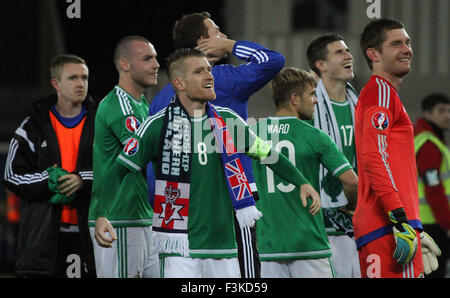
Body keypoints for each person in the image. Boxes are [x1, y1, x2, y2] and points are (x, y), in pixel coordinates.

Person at [94, 48, 320, 278]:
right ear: (180, 83)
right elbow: (118, 171)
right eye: (199, 71)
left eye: (209, 70)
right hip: (179, 249)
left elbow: (267, 154)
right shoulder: (157, 125)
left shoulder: (229, 121)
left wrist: (302, 182)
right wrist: (102, 214)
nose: (209, 75)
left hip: (224, 249)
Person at [147, 11, 285, 278]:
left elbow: (152, 164)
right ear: (204, 41)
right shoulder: (224, 79)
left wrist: (158, 206)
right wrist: (232, 45)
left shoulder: (163, 95)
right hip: (231, 201)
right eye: (217, 32)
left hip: (177, 208)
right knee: (242, 275)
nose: (222, 36)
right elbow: (273, 61)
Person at [251, 67, 358, 278]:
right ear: (295, 99)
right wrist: (351, 207)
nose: (316, 100)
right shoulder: (314, 135)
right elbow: (352, 181)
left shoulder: (254, 133)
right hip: (309, 243)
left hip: (269, 245)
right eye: (311, 94)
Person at [354, 18, 441, 278]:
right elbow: (374, 156)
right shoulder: (380, 93)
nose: (406, 49)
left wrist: (414, 224)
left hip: (394, 225)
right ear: (374, 54)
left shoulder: (386, 94)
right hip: (387, 225)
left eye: (407, 42)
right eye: (396, 44)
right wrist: (400, 218)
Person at [2, 54, 98, 277]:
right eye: (73, 78)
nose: (80, 83)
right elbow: (11, 174)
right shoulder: (33, 125)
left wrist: (82, 179)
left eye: (84, 77)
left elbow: (116, 168)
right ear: (56, 84)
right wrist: (51, 181)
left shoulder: (102, 120)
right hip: (43, 235)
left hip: (91, 233)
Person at [87, 36, 160, 278]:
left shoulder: (139, 104)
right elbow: (146, 152)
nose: (156, 64)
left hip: (139, 217)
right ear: (125, 65)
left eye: (156, 58)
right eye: (147, 58)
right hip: (119, 218)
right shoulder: (121, 107)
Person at [306, 34, 361, 277]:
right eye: (339, 52)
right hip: (320, 219)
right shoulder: (308, 109)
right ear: (321, 65)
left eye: (348, 50)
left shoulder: (362, 106)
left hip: (358, 215)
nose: (349, 55)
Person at [414, 93, 450, 277]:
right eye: (441, 111)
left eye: (449, 111)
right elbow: (434, 190)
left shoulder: (428, 139)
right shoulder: (429, 145)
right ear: (427, 114)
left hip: (428, 223)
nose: (447, 116)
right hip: (432, 225)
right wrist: (448, 224)